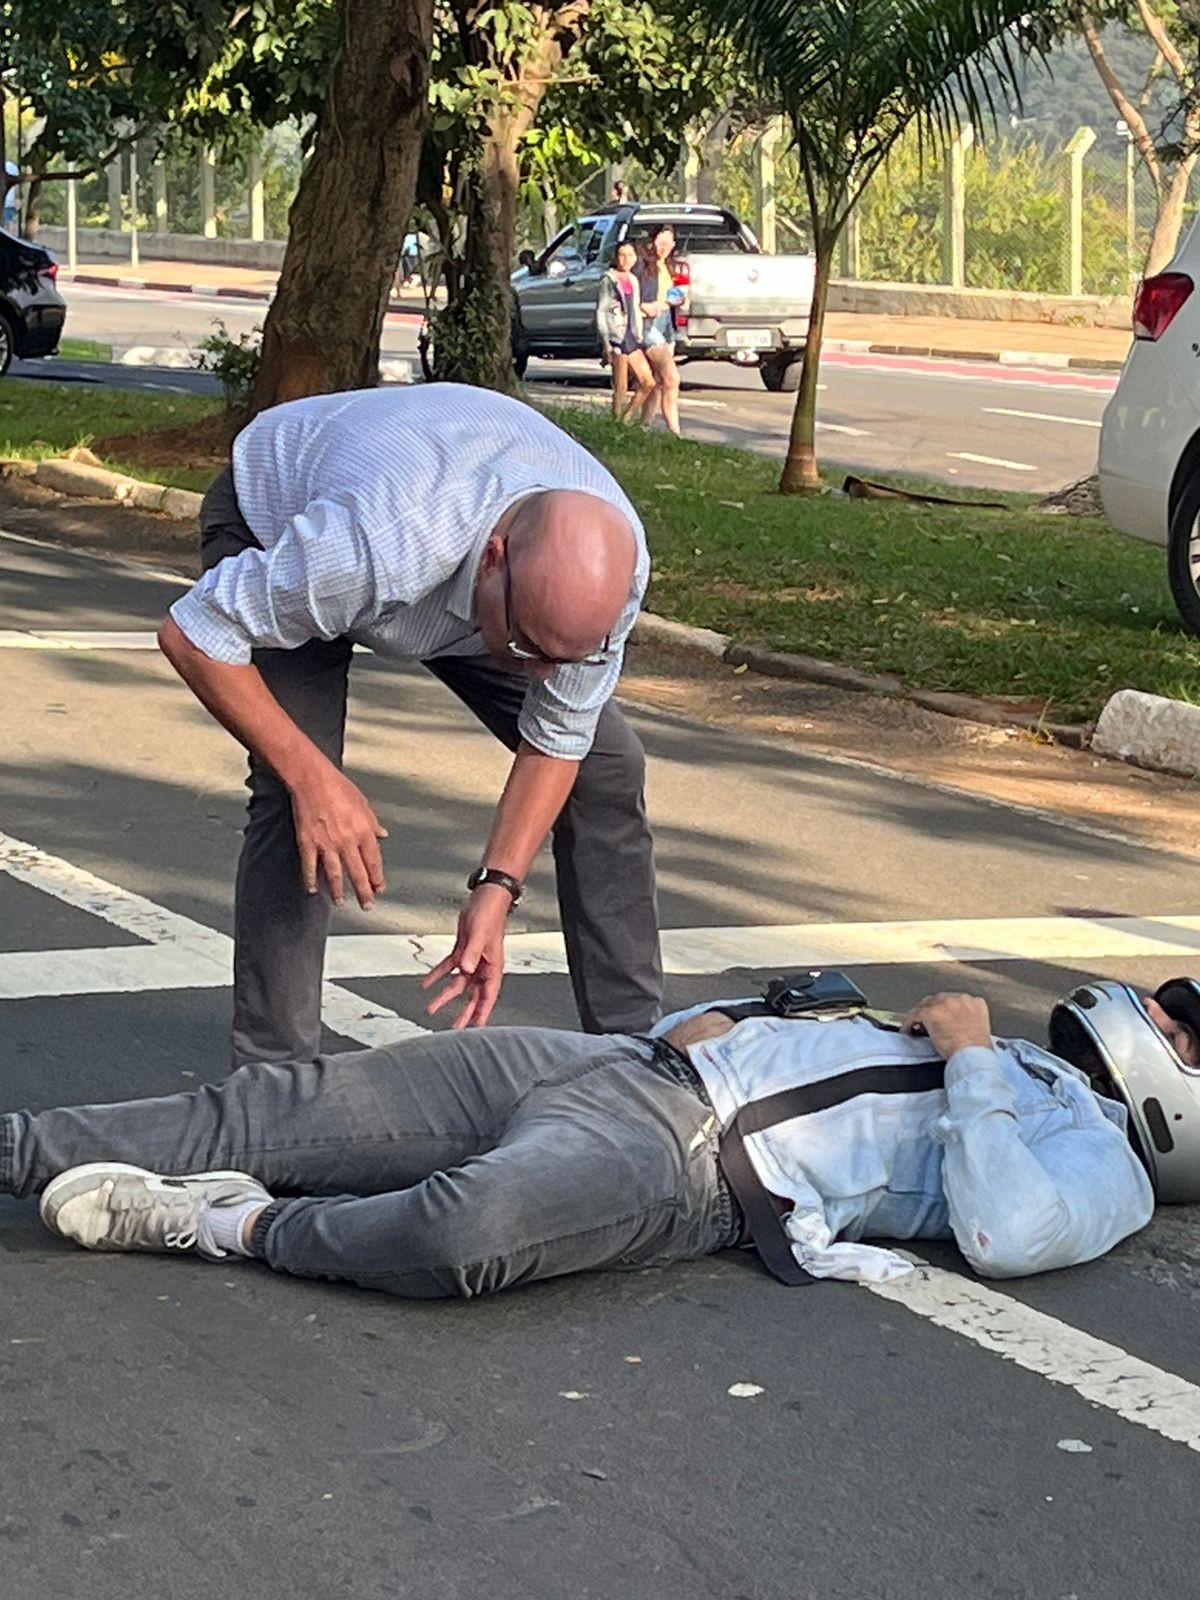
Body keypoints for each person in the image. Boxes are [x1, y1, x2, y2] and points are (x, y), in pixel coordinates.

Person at [7, 974, 1195, 1300]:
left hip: (693, 1169)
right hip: (627, 1062)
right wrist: (710, 1017)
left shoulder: (1109, 1172)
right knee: (283, 1101)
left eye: (1180, 1026)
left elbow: (1006, 1229)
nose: (1151, 1007)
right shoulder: (1021, 1055)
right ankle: (16, 1145)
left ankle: (228, 1221)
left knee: (461, 1230)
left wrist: (973, 1058)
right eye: (1169, 995)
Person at [156, 385, 660, 1068]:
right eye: (527, 651)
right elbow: (195, 634)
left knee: (606, 762)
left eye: (564, 658)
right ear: (494, 560)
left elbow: (558, 733)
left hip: (455, 575)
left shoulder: (605, 572)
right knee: (300, 797)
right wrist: (314, 780)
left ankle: (637, 1056)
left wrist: (497, 887)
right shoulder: (374, 543)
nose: (540, 675)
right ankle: (272, 1084)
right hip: (282, 518)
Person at [596, 239, 655, 423]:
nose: (625, 259)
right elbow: (601, 310)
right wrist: (605, 341)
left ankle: (627, 417)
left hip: (632, 336)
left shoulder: (632, 279)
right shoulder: (609, 279)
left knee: (648, 382)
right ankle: (615, 423)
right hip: (617, 337)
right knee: (620, 387)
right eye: (622, 255)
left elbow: (635, 308)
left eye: (630, 255)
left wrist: (639, 333)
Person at [637, 224, 686, 438]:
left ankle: (644, 426)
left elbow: (678, 293)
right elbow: (631, 295)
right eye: (660, 242)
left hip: (668, 324)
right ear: (652, 241)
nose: (664, 247)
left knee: (658, 381)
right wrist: (643, 306)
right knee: (672, 377)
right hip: (650, 325)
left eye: (668, 243)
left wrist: (682, 299)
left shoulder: (672, 267)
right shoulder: (642, 265)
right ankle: (675, 431)